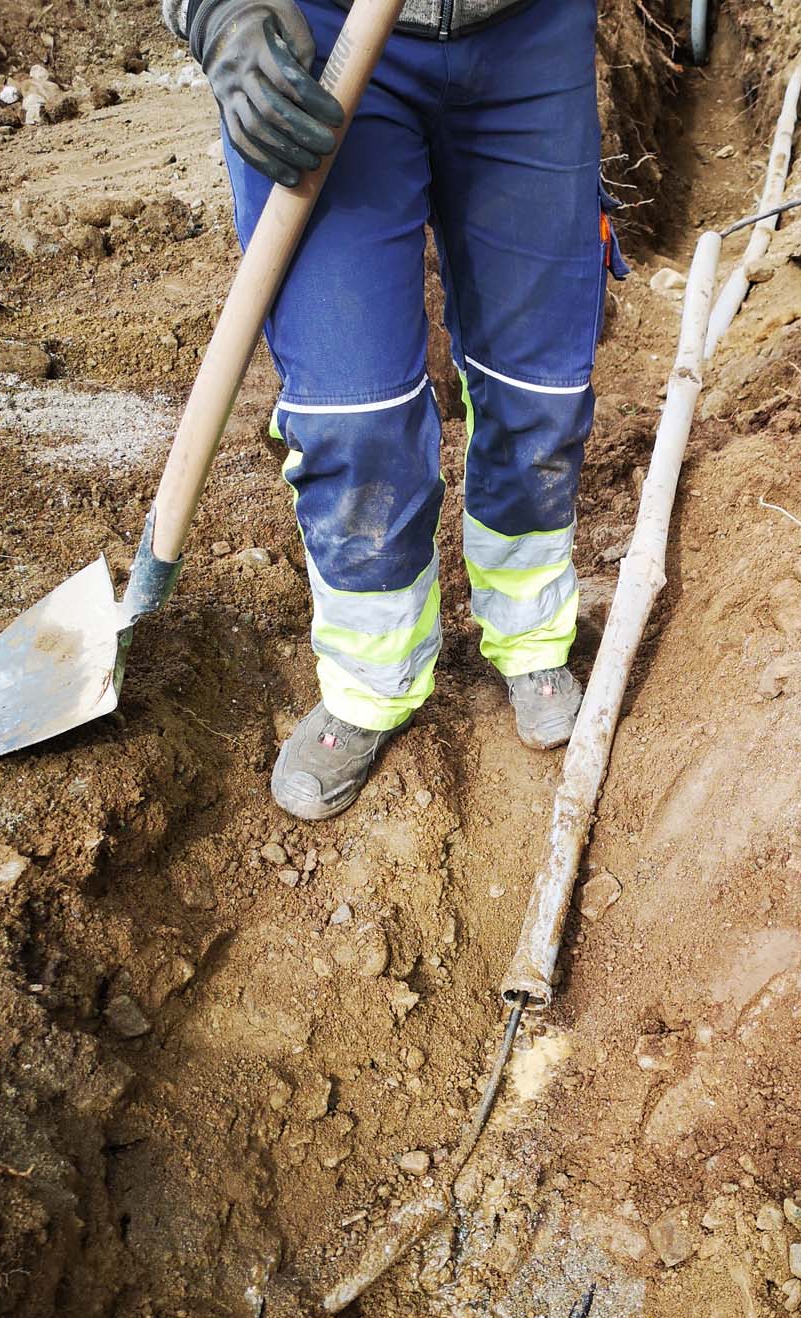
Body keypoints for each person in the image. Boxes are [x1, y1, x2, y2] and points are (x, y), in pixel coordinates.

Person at [163, 0, 627, 819]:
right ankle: (371, 680)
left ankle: (530, 631)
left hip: (528, 32)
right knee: (352, 415)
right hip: (325, 38)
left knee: (540, 391)